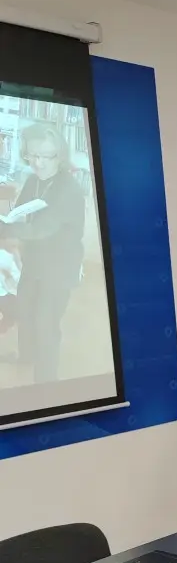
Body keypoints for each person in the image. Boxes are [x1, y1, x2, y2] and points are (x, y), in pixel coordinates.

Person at [0, 124, 85, 382]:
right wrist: (10, 223)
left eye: (46, 156)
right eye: (33, 155)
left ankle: (46, 382)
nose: (38, 162)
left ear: (60, 155)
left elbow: (41, 229)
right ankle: (26, 357)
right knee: (25, 311)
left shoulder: (69, 188)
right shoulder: (33, 180)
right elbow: (21, 212)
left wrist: (5, 229)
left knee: (46, 324)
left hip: (60, 266)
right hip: (34, 260)